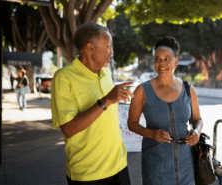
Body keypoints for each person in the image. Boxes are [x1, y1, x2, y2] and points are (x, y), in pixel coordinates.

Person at [51, 22, 133, 185]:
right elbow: (68, 129)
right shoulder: (63, 78)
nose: (111, 51)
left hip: (119, 166)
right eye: (108, 46)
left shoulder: (106, 73)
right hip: (88, 174)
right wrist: (105, 101)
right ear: (90, 48)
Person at [127, 36, 203, 185]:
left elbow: (198, 119)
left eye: (167, 59)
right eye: (157, 59)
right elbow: (132, 123)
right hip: (155, 166)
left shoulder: (188, 89)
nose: (161, 63)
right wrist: (151, 133)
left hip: (186, 165)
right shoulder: (142, 90)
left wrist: (197, 132)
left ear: (176, 60)